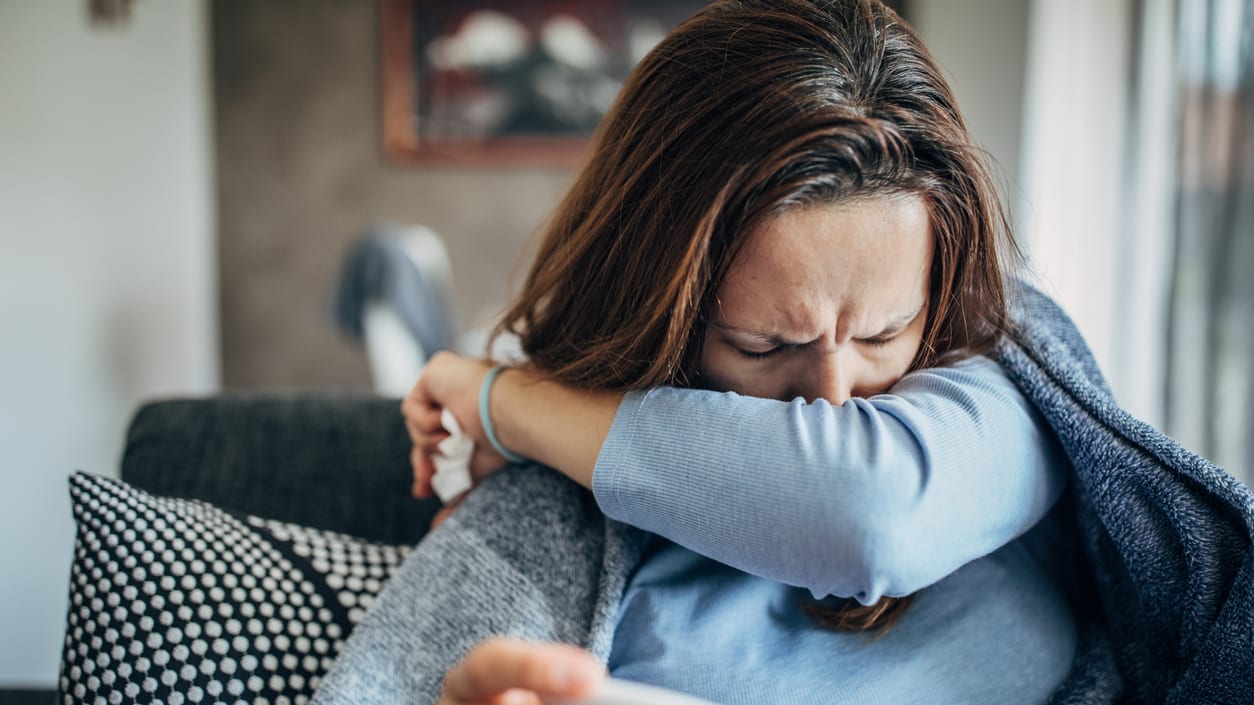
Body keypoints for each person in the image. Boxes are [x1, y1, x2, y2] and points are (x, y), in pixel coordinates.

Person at [393, 1, 1080, 703]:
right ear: (656, 311)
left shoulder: (1008, 386)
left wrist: (503, 401)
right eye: (764, 346)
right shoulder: (548, 512)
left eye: (881, 335)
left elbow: (868, 514)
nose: (836, 397)